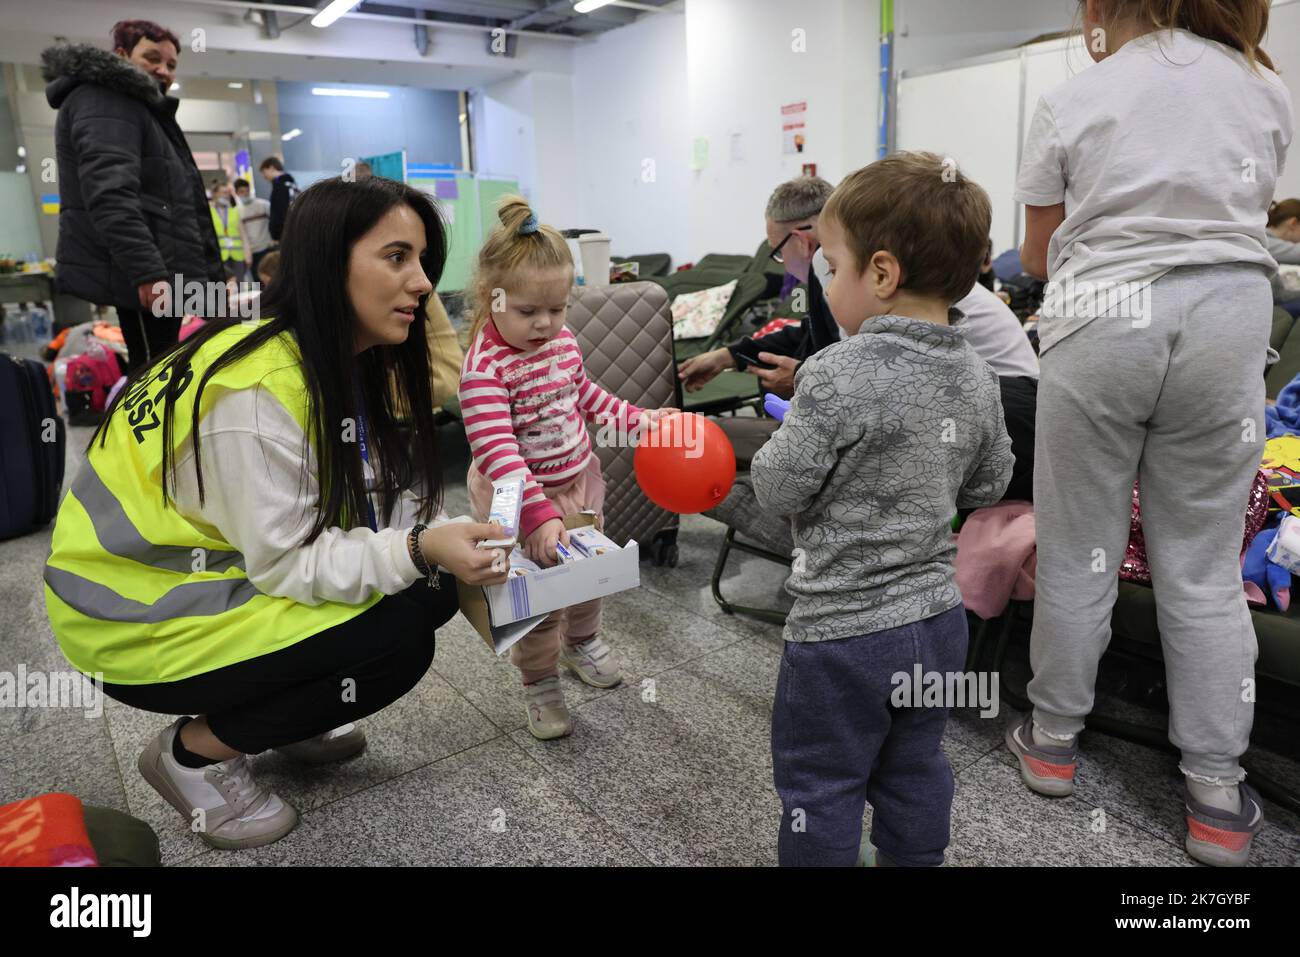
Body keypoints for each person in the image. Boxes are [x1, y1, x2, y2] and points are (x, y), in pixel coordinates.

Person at [43, 176, 510, 850]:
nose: (422, 285)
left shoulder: (319, 359)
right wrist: (421, 547)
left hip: (187, 574)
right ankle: (194, 754)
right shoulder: (260, 392)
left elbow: (361, 500)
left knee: (421, 591)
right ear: (327, 261)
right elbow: (292, 560)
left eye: (421, 262)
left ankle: (280, 716)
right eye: (396, 257)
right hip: (129, 616)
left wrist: (437, 539)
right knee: (400, 638)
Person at [1007, 0, 1290, 867]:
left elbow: (1040, 259)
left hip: (1104, 318)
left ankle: (1053, 740)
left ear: (1097, 7)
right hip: (1231, 316)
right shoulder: (1262, 86)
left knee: (1080, 547)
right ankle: (1213, 791)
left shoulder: (1075, 96)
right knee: (1202, 566)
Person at [752, 152, 1012, 866]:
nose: (826, 281)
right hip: (937, 619)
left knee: (823, 784)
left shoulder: (834, 371)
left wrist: (782, 442)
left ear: (883, 274)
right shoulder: (979, 375)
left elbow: (778, 489)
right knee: (914, 763)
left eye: (832, 266)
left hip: (841, 633)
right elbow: (990, 484)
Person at [458, 197, 671, 740]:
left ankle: (581, 643)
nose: (546, 324)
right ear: (491, 297)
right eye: (529, 312)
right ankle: (538, 680)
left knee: (589, 574)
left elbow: (587, 398)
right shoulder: (485, 369)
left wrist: (641, 421)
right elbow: (499, 454)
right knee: (540, 599)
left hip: (578, 482)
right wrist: (535, 519)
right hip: (518, 500)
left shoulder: (563, 343)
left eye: (558, 309)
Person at [42, 20, 223, 372]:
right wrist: (148, 274)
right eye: (152, 58)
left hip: (169, 268)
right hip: (150, 275)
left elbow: (179, 202)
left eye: (171, 65)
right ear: (122, 55)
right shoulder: (108, 99)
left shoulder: (142, 109)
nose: (164, 70)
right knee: (154, 374)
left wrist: (213, 276)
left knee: (176, 366)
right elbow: (110, 194)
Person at [209, 183, 251, 283]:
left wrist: (248, 254)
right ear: (214, 194)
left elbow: (243, 235)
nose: (226, 195)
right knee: (222, 287)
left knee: (239, 285)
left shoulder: (234, 211)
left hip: (237, 255)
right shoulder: (209, 212)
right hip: (219, 256)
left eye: (228, 193)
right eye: (223, 193)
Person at [233, 177, 274, 276]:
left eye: (247, 190)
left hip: (266, 248)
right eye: (241, 191)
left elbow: (274, 223)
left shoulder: (264, 205)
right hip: (250, 253)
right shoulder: (236, 211)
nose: (245, 194)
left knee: (270, 277)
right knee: (255, 281)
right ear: (237, 193)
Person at [260, 155, 299, 243]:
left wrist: (276, 233)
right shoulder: (291, 184)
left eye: (264, 172)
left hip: (285, 234)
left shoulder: (279, 186)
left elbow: (280, 212)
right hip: (294, 230)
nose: (264, 176)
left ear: (271, 167)